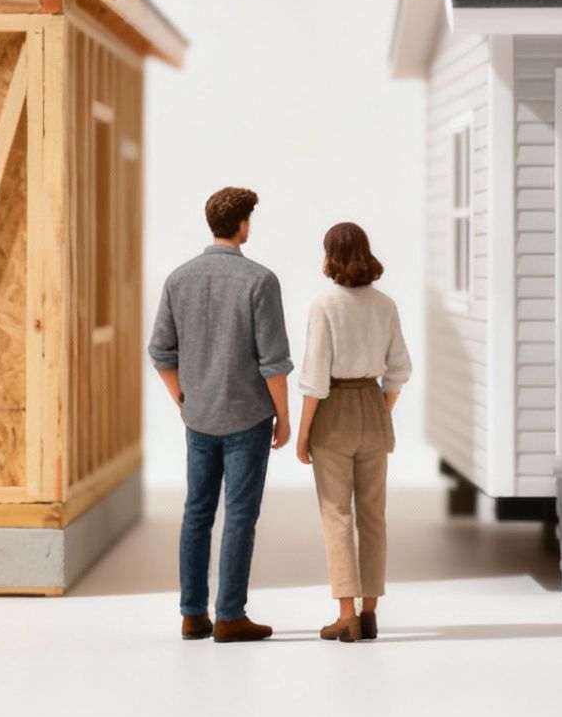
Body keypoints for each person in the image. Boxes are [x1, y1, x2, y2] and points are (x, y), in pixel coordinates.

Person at [148, 186, 292, 643]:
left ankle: (192, 614)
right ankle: (230, 615)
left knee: (196, 512)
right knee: (239, 515)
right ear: (243, 224)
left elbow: (160, 352)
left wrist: (184, 400)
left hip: (199, 417)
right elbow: (273, 362)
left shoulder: (179, 278)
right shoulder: (260, 280)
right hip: (247, 417)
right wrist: (284, 418)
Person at [295, 222, 411, 643]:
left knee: (337, 515)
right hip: (372, 407)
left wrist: (304, 433)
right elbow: (399, 370)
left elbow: (314, 378)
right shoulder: (385, 305)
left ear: (330, 255)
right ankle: (371, 610)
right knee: (373, 515)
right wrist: (381, 409)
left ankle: (346, 616)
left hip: (334, 411)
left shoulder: (324, 305)